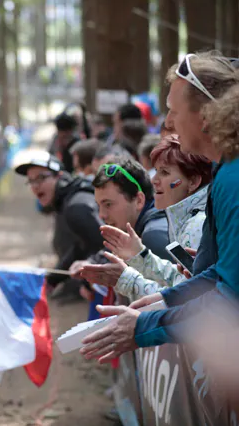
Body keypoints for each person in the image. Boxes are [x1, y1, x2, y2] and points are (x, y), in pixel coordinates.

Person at [79, 52, 239, 364]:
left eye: (174, 111)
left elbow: (229, 299)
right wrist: (164, 300)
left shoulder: (233, 179)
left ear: (205, 116)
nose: (167, 122)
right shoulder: (226, 171)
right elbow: (220, 273)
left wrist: (143, 327)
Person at [86, 136, 211, 301]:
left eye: (164, 172)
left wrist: (126, 280)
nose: (154, 180)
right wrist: (140, 255)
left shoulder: (195, 225)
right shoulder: (189, 220)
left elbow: (185, 299)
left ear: (193, 181)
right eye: (156, 170)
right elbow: (180, 280)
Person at [14, 150, 103, 302]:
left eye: (41, 178)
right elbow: (82, 245)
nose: (35, 186)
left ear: (60, 176)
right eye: (31, 181)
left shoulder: (76, 206)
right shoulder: (70, 201)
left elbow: (109, 245)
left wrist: (88, 281)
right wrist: (53, 278)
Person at [76, 157, 173, 287]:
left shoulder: (153, 235)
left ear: (139, 200)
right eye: (99, 205)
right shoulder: (143, 228)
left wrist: (125, 282)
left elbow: (178, 297)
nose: (101, 215)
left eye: (108, 204)